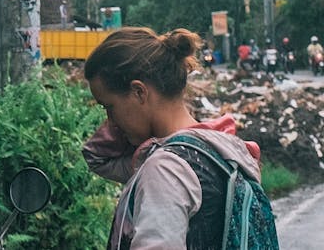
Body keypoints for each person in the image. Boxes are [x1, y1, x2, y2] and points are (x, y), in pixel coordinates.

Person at [82, 27, 268, 249]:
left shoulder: (165, 169)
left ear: (139, 92)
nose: (110, 121)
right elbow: (99, 158)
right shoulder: (218, 149)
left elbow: (96, 156)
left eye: (109, 107)